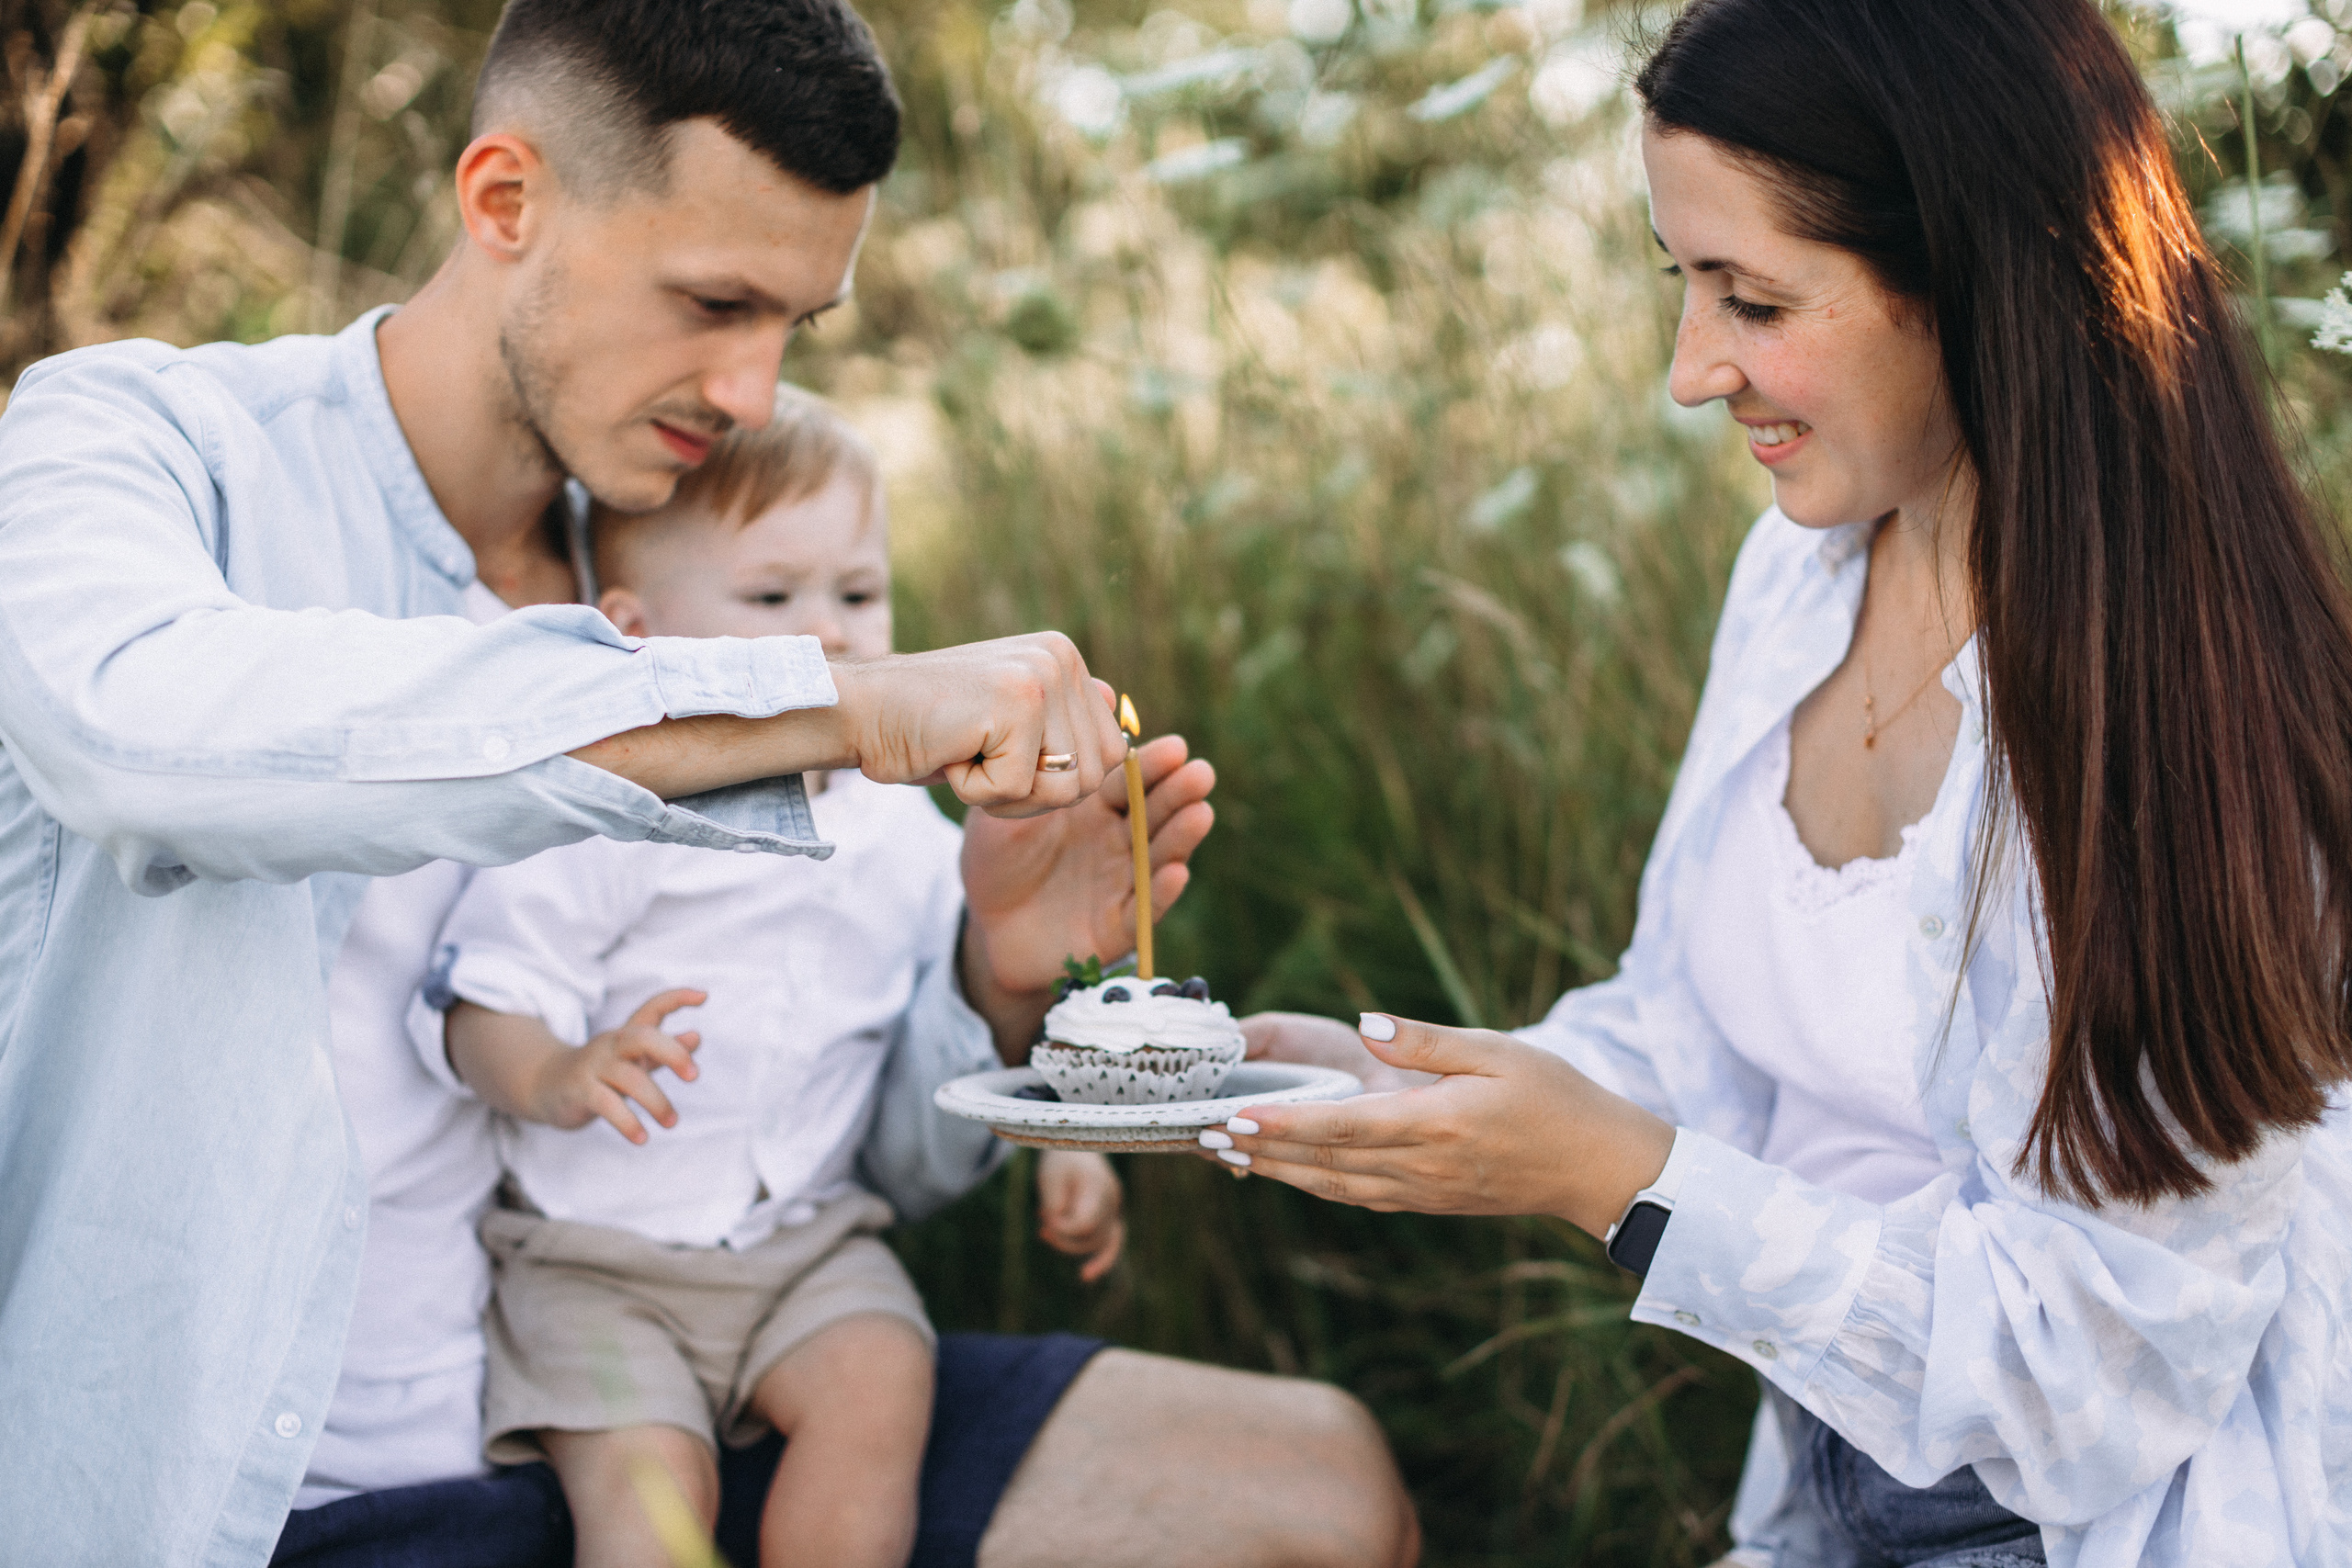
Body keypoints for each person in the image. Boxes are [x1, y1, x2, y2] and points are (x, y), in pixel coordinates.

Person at [0, 2, 1418, 1564]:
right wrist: (827, 699)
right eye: (713, 301)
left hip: (706, 1379)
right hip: (285, 1492)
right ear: (504, 202)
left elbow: (816, 1151)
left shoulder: (713, 555)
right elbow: (134, 736)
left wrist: (992, 970)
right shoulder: (143, 446)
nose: (749, 392)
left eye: (794, 326)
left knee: (1323, 1486)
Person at [1218, 2, 2352, 1564]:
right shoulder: (1803, 573)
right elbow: (1696, 1030)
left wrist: (1620, 1180)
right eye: (1682, 283)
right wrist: (1400, 1083)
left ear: (1973, 273)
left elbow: (2093, 1378)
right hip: (1829, 1471)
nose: (1693, 372)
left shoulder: (2178, 719)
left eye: (1750, 298)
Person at [432, 397, 1125, 1568]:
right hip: (594, 1258)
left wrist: (1063, 1132)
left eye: (857, 596)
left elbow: (963, 1009)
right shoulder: (615, 815)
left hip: (802, 1238)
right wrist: (556, 1071)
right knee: (655, 1489)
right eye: (771, 599)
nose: (828, 636)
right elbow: (483, 1001)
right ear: (632, 630)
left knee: (880, 1379)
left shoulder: (906, 830)